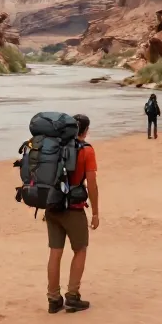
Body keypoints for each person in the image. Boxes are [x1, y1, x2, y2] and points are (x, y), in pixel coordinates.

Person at [45, 113, 99, 313]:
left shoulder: (55, 147)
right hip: (73, 209)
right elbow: (91, 184)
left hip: (52, 206)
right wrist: (95, 213)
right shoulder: (87, 150)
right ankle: (72, 296)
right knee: (80, 249)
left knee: (55, 252)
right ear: (86, 130)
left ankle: (53, 299)